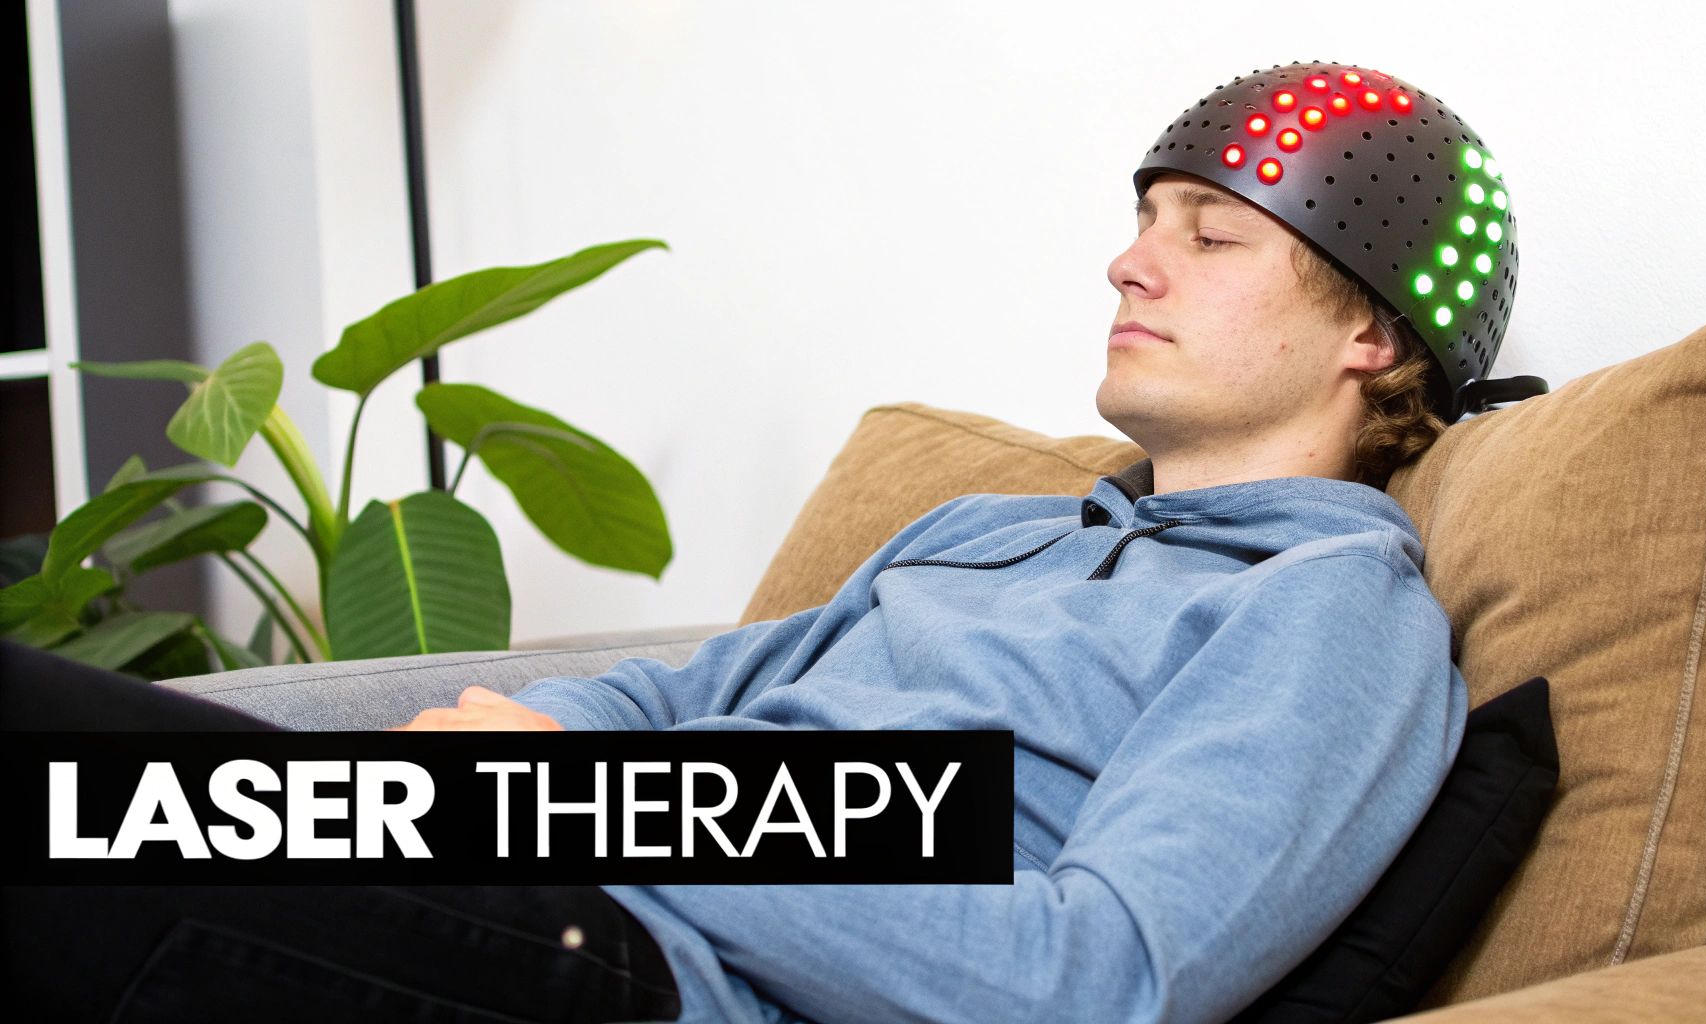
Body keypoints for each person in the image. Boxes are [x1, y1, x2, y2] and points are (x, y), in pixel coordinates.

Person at [4, 61, 1546, 1024]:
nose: (1128, 263)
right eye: (1144, 220)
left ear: (1370, 332)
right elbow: (676, 697)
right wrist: (545, 747)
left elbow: (1099, 978)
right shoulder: (986, 534)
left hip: (623, 959)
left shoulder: (1326, 609)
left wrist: (581, 813)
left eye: (1209, 237)